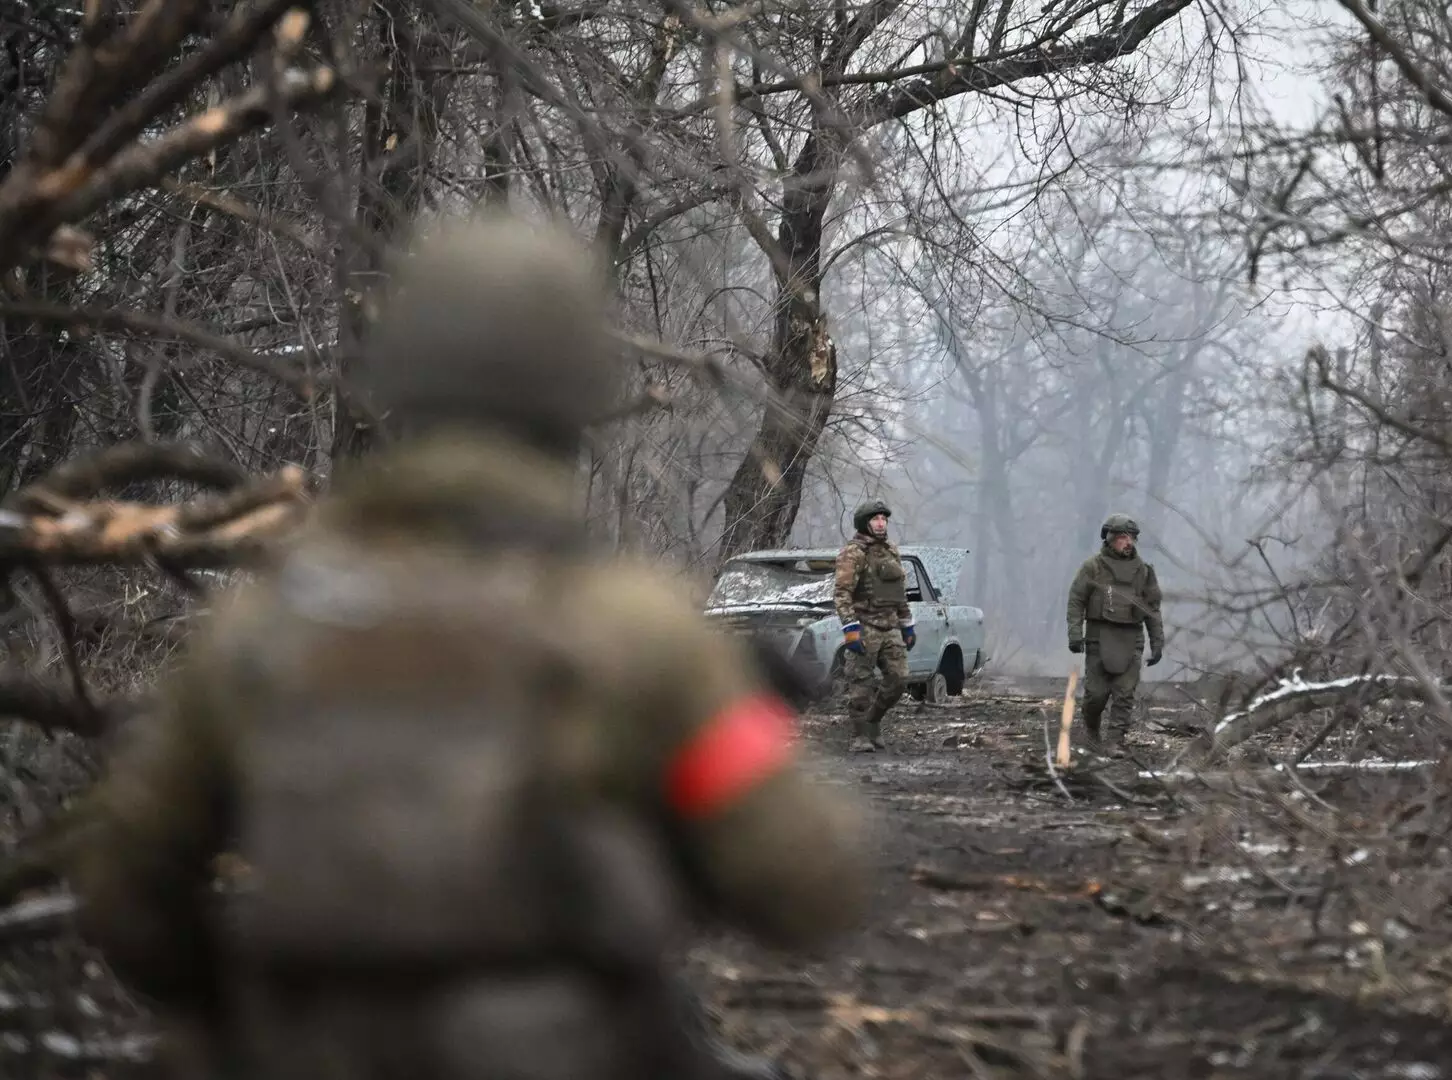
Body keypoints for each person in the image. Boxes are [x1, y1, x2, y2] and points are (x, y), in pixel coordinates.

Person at [64, 210, 870, 1080]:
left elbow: (125, 893)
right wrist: (721, 752)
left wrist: (249, 1010)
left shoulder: (264, 626)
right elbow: (813, 886)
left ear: (401, 379)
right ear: (577, 393)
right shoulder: (637, 635)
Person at [1064, 513, 1165, 750]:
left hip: (1131, 638)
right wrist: (1075, 634)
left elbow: (1153, 610)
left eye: (1131, 538)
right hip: (1099, 637)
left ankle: (1115, 742)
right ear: (1109, 539)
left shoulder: (1144, 572)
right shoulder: (1093, 568)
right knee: (1096, 695)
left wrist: (1157, 643)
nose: (1128, 542)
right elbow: (1076, 600)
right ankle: (1091, 729)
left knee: (1124, 694)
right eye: (1122, 537)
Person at [831, 499, 914, 752]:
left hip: (889, 626)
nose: (880, 523)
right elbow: (842, 592)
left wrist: (907, 623)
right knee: (861, 685)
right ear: (865, 523)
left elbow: (899, 591)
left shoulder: (891, 549)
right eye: (875, 519)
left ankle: (873, 721)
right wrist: (850, 627)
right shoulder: (853, 552)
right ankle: (859, 736)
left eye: (883, 519)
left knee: (899, 680)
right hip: (865, 624)